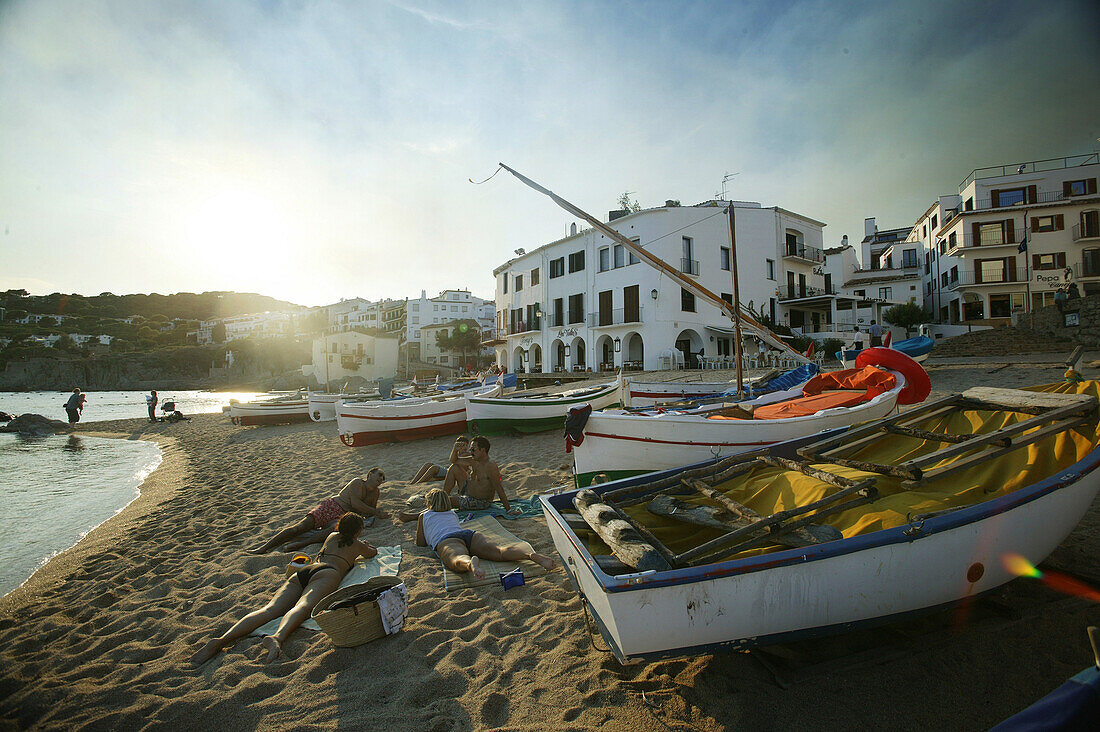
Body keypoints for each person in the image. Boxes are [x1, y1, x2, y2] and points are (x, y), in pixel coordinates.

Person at [191, 513, 377, 665]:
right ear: (358, 531)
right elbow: (372, 553)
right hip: (328, 573)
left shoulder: (331, 536)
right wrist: (365, 545)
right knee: (302, 608)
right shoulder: (357, 544)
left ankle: (222, 640)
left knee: (270, 609)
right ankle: (278, 638)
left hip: (305, 571)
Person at [415, 489, 553, 579]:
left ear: (429, 503)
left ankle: (470, 564)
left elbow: (420, 543)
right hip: (468, 534)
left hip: (447, 540)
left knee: (456, 559)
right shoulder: (452, 513)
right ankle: (530, 556)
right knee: (500, 551)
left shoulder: (424, 515)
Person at [249, 468, 389, 554]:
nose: (380, 479)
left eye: (383, 478)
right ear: (370, 474)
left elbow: (370, 510)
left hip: (342, 515)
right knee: (299, 528)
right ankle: (264, 548)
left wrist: (374, 511)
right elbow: (355, 503)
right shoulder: (357, 482)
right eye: (379, 475)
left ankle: (301, 544)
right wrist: (376, 512)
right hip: (331, 506)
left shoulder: (375, 492)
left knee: (332, 530)